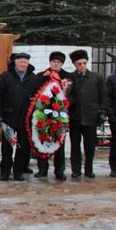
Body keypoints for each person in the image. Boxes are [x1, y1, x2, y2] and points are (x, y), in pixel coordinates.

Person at [0, 52, 38, 181]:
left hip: (25, 118)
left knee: (23, 147)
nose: (23, 64)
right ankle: (5, 171)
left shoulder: (33, 78)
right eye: (21, 62)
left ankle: (18, 171)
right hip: (8, 117)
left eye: (25, 62)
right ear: (15, 63)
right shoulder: (5, 77)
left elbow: (37, 98)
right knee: (7, 146)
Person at [67, 49, 107, 178]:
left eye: (84, 63)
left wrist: (102, 111)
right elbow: (66, 97)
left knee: (90, 145)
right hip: (75, 117)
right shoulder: (70, 78)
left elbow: (103, 95)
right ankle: (76, 169)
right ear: (75, 64)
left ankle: (89, 168)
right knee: (75, 145)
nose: (82, 66)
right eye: (79, 64)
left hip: (91, 116)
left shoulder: (96, 78)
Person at [34, 52, 71, 180]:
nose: (56, 64)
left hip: (60, 116)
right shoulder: (41, 76)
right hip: (43, 115)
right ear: (50, 62)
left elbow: (71, 96)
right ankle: (42, 169)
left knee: (59, 143)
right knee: (43, 140)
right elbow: (35, 94)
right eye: (54, 61)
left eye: (59, 62)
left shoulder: (67, 77)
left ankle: (59, 170)